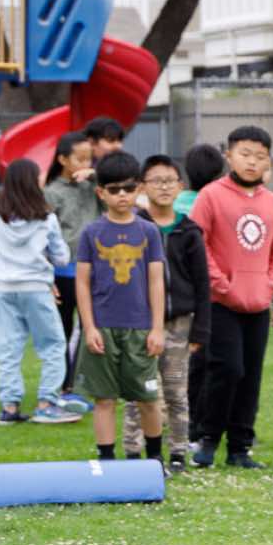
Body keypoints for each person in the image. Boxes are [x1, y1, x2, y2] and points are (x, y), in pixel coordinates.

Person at [189, 126, 273, 470]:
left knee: (250, 376)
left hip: (257, 304)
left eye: (260, 156)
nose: (252, 162)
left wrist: (270, 286)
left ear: (269, 162)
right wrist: (221, 284)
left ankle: (239, 447)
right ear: (229, 156)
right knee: (226, 369)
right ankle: (208, 438)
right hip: (221, 303)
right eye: (245, 154)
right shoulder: (211, 196)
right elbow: (197, 244)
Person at [72, 151, 166, 463]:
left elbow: (156, 282)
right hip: (102, 328)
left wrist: (156, 328)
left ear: (139, 188)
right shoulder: (91, 233)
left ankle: (155, 460)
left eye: (128, 188)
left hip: (141, 329)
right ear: (101, 193)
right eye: (114, 189)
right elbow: (82, 283)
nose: (122, 195)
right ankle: (107, 461)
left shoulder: (149, 232)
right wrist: (89, 328)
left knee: (148, 399)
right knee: (104, 400)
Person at [121, 154, 207, 470]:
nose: (164, 187)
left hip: (179, 324)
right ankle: (133, 452)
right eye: (156, 181)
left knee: (175, 391)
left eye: (170, 181)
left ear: (180, 186)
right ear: (143, 187)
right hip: (141, 323)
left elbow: (202, 284)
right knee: (138, 391)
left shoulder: (190, 231)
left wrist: (201, 330)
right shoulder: (134, 229)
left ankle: (178, 453)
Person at [0, 159, 81, 426]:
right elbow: (61, 257)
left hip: (6, 288)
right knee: (53, 344)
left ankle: (10, 406)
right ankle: (47, 402)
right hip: (37, 287)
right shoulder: (46, 218)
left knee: (8, 347)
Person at [43, 131, 99, 407]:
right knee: (64, 330)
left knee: (92, 327)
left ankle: (86, 382)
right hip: (64, 272)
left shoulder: (93, 187)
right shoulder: (51, 192)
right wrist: (47, 276)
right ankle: (64, 385)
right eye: (80, 159)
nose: (85, 164)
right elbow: (43, 236)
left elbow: (116, 190)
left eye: (89, 159)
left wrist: (95, 176)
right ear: (63, 160)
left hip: (95, 269)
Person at [175, 143, 225, 444]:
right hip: (213, 293)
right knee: (211, 363)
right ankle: (201, 425)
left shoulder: (176, 203)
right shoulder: (218, 204)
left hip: (181, 292)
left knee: (188, 363)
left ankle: (190, 425)